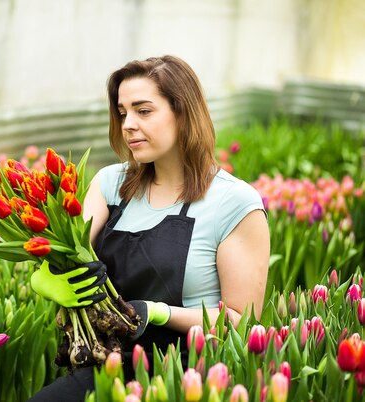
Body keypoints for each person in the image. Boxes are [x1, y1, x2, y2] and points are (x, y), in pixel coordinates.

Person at [28, 55, 270, 401]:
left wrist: (157, 312)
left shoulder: (233, 202)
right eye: (123, 112)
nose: (127, 124)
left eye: (143, 111)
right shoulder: (111, 184)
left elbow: (240, 321)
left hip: (188, 373)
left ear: (183, 113)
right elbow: (61, 254)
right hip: (109, 362)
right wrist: (48, 279)